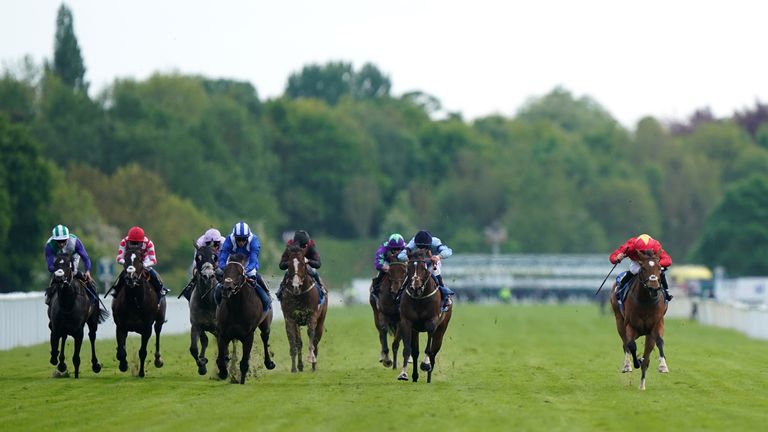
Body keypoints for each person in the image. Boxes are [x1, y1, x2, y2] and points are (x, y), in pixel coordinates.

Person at [216, 221, 271, 310]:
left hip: (248, 264)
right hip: (232, 263)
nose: (241, 242)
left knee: (253, 277)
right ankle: (219, 305)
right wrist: (225, 268)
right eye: (238, 239)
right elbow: (222, 259)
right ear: (234, 237)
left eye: (244, 239)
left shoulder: (254, 241)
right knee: (219, 281)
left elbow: (253, 261)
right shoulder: (229, 240)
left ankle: (266, 295)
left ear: (248, 238)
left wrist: (245, 270)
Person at [397, 230, 454, 312]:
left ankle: (445, 297)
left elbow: (448, 251)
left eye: (425, 247)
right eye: (419, 247)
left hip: (431, 263)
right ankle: (399, 297)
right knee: (409, 275)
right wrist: (411, 259)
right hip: (418, 264)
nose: (422, 249)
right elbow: (400, 256)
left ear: (430, 244)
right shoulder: (413, 242)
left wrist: (438, 256)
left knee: (436, 271)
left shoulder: (435, 242)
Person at [43, 224, 99, 306]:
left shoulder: (75, 241)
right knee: (56, 277)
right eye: (59, 241)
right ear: (54, 240)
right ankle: (50, 298)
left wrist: (87, 271)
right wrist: (58, 271)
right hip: (58, 260)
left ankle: (94, 301)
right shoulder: (49, 245)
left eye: (63, 240)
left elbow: (86, 258)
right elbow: (50, 266)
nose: (61, 244)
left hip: (73, 257)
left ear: (67, 238)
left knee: (74, 272)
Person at [610, 233, 673, 302]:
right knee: (634, 270)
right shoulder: (629, 246)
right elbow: (612, 257)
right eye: (642, 252)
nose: (645, 253)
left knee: (660, 272)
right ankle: (620, 288)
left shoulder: (656, 246)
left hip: (652, 263)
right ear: (636, 248)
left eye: (647, 251)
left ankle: (666, 292)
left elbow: (668, 260)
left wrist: (655, 265)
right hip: (638, 262)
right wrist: (617, 258)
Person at [115, 226, 167, 297]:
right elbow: (119, 258)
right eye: (133, 242)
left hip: (144, 260)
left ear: (142, 241)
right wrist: (127, 263)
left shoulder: (149, 243)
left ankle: (160, 289)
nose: (135, 244)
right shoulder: (124, 242)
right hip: (130, 261)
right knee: (122, 276)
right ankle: (116, 291)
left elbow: (153, 260)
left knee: (153, 274)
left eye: (137, 242)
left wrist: (144, 265)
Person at [277, 230, 323, 301]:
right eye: (302, 246)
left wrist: (308, 261)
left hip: (307, 263)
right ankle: (281, 290)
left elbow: (318, 264)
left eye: (305, 246)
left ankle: (321, 288)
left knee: (313, 271)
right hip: (295, 265)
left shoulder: (310, 245)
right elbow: (281, 265)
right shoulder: (290, 247)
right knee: (287, 273)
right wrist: (291, 262)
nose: (304, 247)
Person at [179, 228, 224, 301]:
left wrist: (218, 267)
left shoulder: (224, 243)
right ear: (205, 243)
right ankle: (192, 299)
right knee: (193, 280)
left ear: (219, 242)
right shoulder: (200, 243)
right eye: (208, 244)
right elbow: (195, 261)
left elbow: (226, 260)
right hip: (204, 265)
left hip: (219, 263)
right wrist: (196, 270)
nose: (212, 246)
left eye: (216, 244)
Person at [370, 233, 406, 302]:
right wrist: (384, 267)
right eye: (394, 249)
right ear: (390, 247)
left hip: (400, 262)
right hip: (388, 262)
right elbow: (378, 262)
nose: (397, 251)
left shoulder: (405, 247)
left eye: (398, 249)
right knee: (380, 274)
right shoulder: (383, 248)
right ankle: (375, 290)